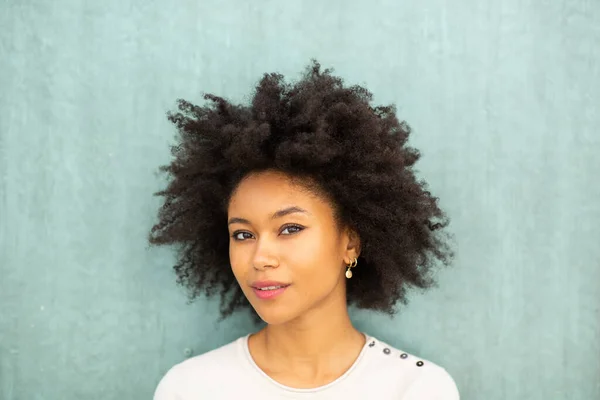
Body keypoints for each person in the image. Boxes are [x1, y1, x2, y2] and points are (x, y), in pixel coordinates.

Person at [149, 60, 459, 399]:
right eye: (243, 234)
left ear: (350, 243)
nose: (260, 258)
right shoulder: (190, 388)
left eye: (289, 228)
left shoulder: (416, 388)